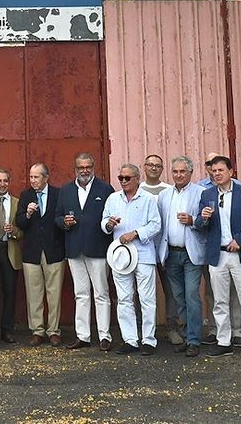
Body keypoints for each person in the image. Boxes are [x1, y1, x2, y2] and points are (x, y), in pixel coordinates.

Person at [196, 154, 241, 359]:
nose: (216, 174)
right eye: (213, 171)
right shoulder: (207, 194)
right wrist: (203, 219)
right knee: (219, 301)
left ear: (231, 172)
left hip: (240, 253)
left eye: (220, 170)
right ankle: (223, 341)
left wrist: (239, 240)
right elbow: (199, 226)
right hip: (218, 255)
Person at [104, 163, 162, 354]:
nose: (123, 181)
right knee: (124, 298)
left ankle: (148, 340)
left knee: (146, 298)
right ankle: (130, 339)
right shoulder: (113, 199)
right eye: (121, 178)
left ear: (137, 179)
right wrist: (109, 224)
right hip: (120, 256)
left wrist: (136, 233)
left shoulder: (148, 199)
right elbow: (103, 222)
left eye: (127, 178)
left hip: (143, 254)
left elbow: (155, 225)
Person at [59, 152, 115, 350]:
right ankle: (82, 336)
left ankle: (104, 336)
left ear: (93, 168)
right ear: (75, 169)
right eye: (81, 167)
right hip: (74, 249)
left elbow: (112, 216)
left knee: (101, 293)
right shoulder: (65, 191)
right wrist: (64, 222)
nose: (84, 171)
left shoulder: (106, 189)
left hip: (98, 248)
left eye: (88, 167)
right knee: (80, 294)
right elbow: (57, 217)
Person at [162, 156, 206, 357]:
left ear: (190, 172)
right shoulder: (164, 195)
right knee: (179, 298)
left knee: (191, 296)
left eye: (182, 171)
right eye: (175, 172)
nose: (178, 175)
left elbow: (209, 222)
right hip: (171, 253)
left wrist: (193, 220)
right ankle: (188, 336)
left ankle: (195, 340)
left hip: (191, 253)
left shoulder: (201, 193)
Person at [18, 162, 66, 345]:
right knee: (34, 293)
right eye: (31, 177)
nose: (33, 180)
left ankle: (54, 330)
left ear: (46, 177)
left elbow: (60, 221)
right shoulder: (25, 195)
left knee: (54, 294)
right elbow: (20, 222)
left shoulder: (58, 194)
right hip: (32, 253)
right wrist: (28, 214)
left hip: (53, 251)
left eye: (36, 177)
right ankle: (37, 330)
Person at [139, 153, 178, 343]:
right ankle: (145, 330)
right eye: (150, 165)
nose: (153, 168)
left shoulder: (168, 190)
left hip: (164, 248)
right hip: (141, 248)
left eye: (157, 166)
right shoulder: (137, 190)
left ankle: (172, 327)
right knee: (142, 291)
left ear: (162, 170)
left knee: (171, 290)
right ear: (144, 167)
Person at [0, 168, 23, 344]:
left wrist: (14, 231)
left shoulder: (17, 202)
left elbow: (24, 230)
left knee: (10, 292)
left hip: (10, 249)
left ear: (9, 182)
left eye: (5, 181)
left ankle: (7, 330)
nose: (2, 184)